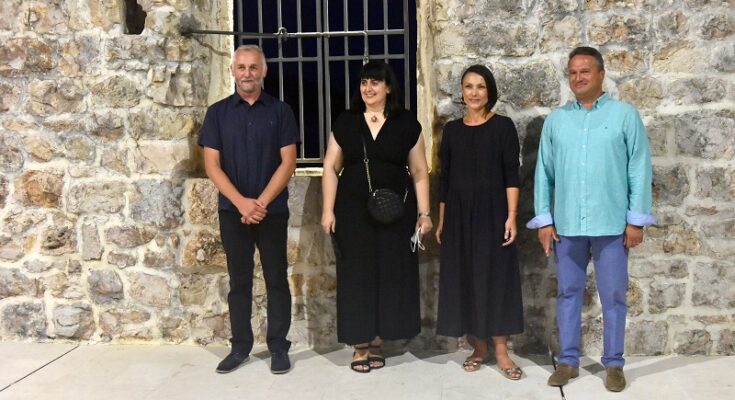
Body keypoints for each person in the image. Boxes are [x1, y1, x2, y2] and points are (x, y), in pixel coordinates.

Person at [527, 46, 654, 392]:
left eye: (585, 71)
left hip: (611, 225)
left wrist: (636, 221)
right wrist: (544, 220)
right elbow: (544, 173)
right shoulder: (556, 121)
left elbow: (639, 168)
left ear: (601, 74)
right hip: (567, 226)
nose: (578, 77)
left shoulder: (624, 116)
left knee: (613, 296)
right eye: (572, 72)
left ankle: (613, 364)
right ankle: (568, 361)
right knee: (568, 292)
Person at [321, 60, 432, 373]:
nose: (368, 88)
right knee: (356, 274)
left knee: (391, 273)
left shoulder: (406, 123)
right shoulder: (346, 121)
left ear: (388, 87)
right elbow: (330, 167)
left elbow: (420, 170)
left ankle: (379, 341)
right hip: (353, 211)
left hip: (396, 212)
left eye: (375, 82)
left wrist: (424, 212)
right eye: (364, 82)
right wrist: (328, 209)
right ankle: (360, 345)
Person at [198, 45, 299, 374]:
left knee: (276, 279)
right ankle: (240, 346)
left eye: (253, 67)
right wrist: (242, 202)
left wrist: (261, 203)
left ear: (264, 71)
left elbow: (288, 163)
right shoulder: (217, 114)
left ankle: (278, 346)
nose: (247, 73)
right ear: (232, 70)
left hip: (272, 212)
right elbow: (212, 166)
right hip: (233, 212)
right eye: (241, 67)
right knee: (239, 281)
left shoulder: (281, 111)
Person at [435, 65, 524, 380]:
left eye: (480, 87)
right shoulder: (452, 131)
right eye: (468, 86)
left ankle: (501, 351)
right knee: (467, 279)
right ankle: (478, 347)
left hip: (494, 214)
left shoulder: (503, 127)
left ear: (490, 92)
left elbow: (511, 175)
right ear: (462, 92)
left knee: (496, 279)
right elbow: (445, 180)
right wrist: (443, 220)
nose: (474, 93)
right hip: (458, 217)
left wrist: (511, 216)